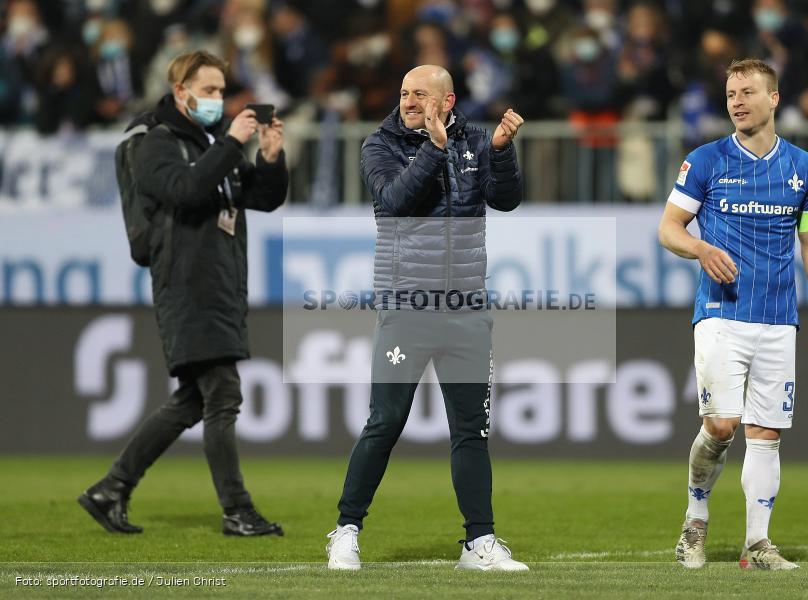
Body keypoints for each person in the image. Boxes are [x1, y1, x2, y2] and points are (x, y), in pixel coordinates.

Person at [325, 65, 528, 571]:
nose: (409, 100)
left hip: (466, 310)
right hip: (406, 307)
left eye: (420, 93)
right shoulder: (380, 145)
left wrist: (502, 152)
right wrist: (434, 149)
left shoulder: (477, 141)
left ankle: (479, 543)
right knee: (387, 420)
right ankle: (346, 531)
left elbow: (507, 200)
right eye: (404, 92)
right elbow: (394, 204)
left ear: (448, 99)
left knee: (471, 430)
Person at [78, 50, 288, 537]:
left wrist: (270, 158)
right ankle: (237, 509)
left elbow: (262, 198)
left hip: (221, 284)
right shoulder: (157, 143)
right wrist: (233, 143)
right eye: (210, 91)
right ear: (181, 92)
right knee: (223, 392)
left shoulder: (214, 144)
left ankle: (111, 489)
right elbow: (187, 191)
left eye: (221, 91)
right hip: (186, 284)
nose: (218, 100)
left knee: (194, 399)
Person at [658, 58, 808, 570]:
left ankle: (757, 543)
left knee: (766, 432)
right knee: (721, 425)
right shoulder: (707, 161)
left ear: (774, 98)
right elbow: (669, 227)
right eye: (731, 93)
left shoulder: (804, 168)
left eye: (747, 92)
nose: (736, 101)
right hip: (721, 312)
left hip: (779, 318)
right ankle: (695, 521)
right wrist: (700, 250)